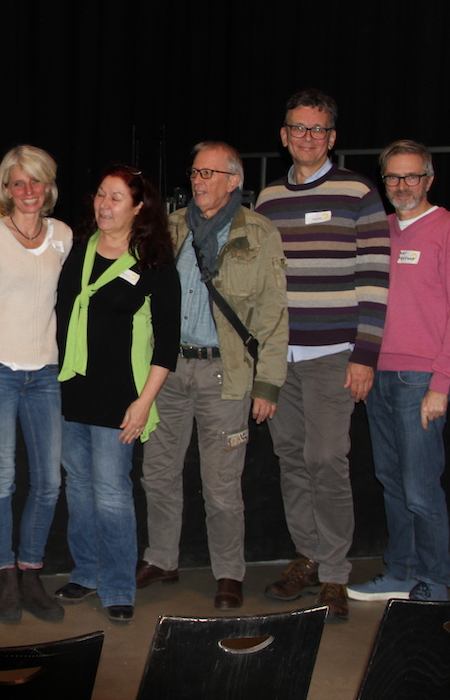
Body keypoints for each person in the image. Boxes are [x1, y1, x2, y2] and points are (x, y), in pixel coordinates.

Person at [254, 89, 390, 621]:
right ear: (284, 135)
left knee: (327, 459)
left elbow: (376, 278)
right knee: (291, 457)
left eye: (317, 129)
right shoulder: (268, 199)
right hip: (280, 358)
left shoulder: (358, 192)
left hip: (335, 355)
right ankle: (307, 555)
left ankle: (335, 573)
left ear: (331, 137)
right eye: (298, 128)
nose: (307, 137)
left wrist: (365, 355)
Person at [137, 142, 289, 610]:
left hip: (226, 373)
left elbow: (273, 314)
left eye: (209, 173)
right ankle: (162, 559)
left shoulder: (258, 233)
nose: (198, 181)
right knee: (158, 472)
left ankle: (228, 572)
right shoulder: (173, 227)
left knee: (222, 485)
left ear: (233, 180)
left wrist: (267, 385)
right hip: (168, 369)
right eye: (195, 172)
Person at [347, 140, 450, 603]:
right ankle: (401, 572)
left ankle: (435, 581)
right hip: (379, 375)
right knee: (391, 482)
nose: (402, 185)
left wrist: (442, 383)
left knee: (420, 488)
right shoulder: (379, 231)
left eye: (412, 176)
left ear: (429, 179)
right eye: (393, 177)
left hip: (420, 380)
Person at [54, 165, 178, 625]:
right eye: (101, 195)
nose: (104, 205)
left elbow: (167, 343)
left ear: (139, 207)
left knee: (111, 493)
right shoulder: (79, 249)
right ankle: (86, 572)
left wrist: (144, 402)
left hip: (121, 398)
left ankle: (119, 585)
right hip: (72, 390)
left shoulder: (154, 262)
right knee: (78, 487)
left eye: (116, 198)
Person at [0, 146, 71, 624]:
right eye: (18, 182)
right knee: (1, 479)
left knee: (49, 482)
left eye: (36, 181)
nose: (28, 191)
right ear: (5, 188)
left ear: (48, 186)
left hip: (46, 373)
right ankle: (4, 574)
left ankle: (31, 570)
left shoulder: (63, 235)